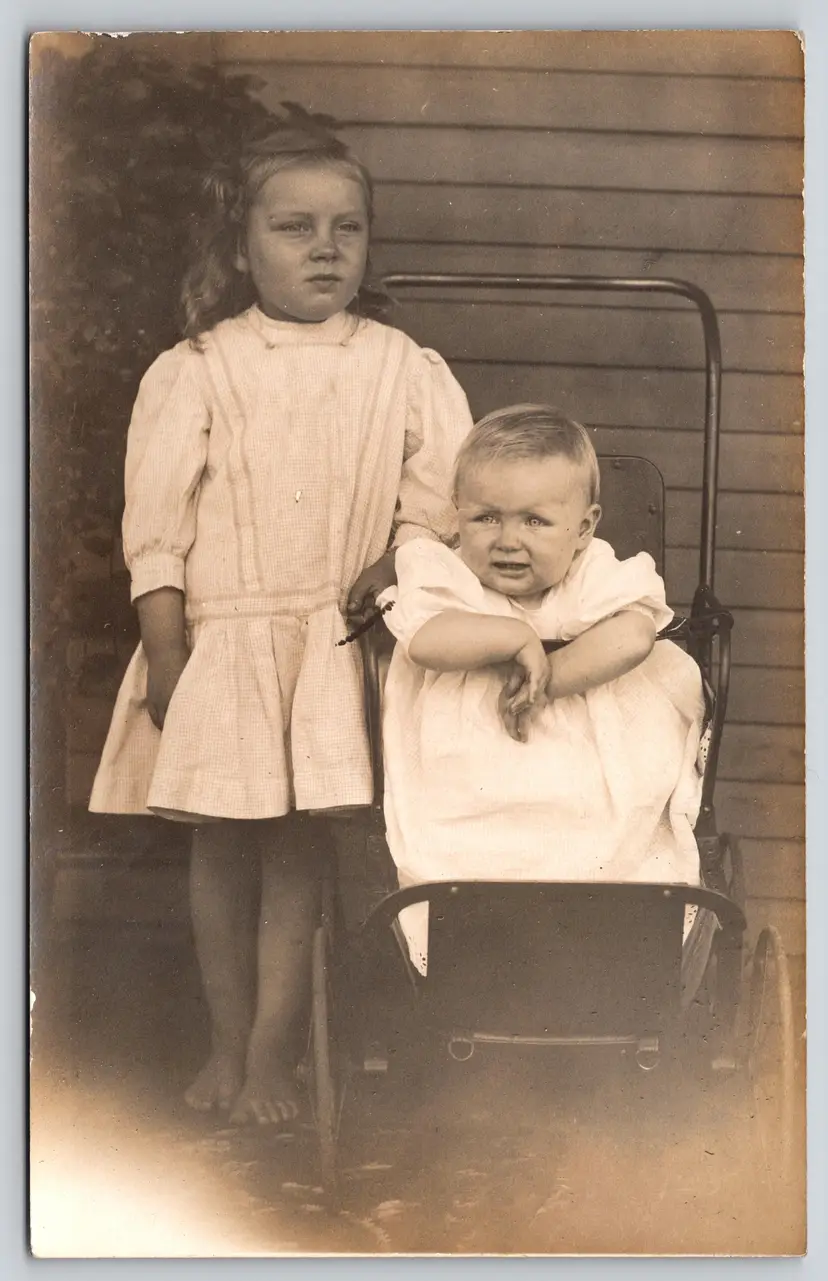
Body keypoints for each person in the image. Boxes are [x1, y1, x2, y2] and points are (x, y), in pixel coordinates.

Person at [88, 112, 474, 1124]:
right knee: (220, 857)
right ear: (241, 245)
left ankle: (274, 1062)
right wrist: (169, 654)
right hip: (222, 645)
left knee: (298, 859)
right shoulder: (201, 367)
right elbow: (158, 529)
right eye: (295, 228)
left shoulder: (402, 367)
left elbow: (439, 509)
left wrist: (397, 560)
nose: (324, 249)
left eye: (346, 228)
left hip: (331, 649)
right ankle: (224, 1047)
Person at [377, 405, 707, 975]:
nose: (508, 541)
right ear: (457, 516)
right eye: (486, 518)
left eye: (535, 521)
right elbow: (426, 640)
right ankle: (478, 948)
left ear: (583, 529)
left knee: (620, 838)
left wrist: (549, 680)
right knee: (464, 840)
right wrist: (513, 637)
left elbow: (633, 637)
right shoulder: (445, 573)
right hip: (472, 758)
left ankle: (609, 941)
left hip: (590, 755)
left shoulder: (595, 571)